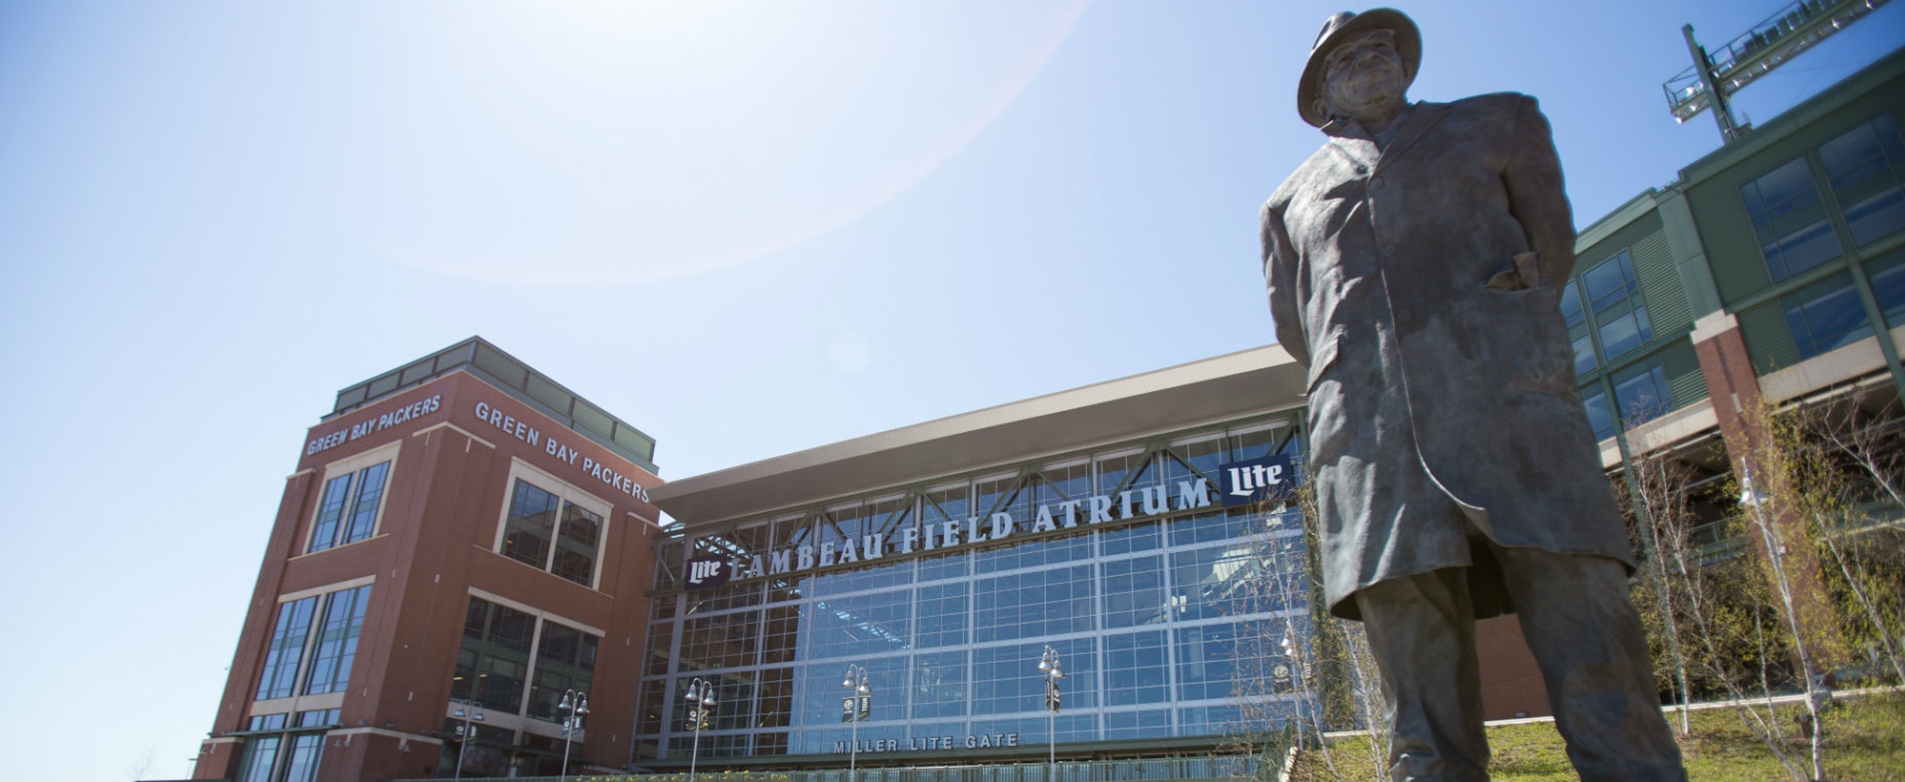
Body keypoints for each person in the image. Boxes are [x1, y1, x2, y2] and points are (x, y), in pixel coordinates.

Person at [1258, 9, 1688, 782]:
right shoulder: (1287, 201)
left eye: (1383, 45)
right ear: (1322, 90)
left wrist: (1480, 326)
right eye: (1348, 56)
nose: (1372, 59)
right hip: (1371, 443)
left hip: (1512, 413)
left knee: (1594, 645)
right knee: (1417, 708)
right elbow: (1300, 328)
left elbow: (1546, 249)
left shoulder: (1500, 122)